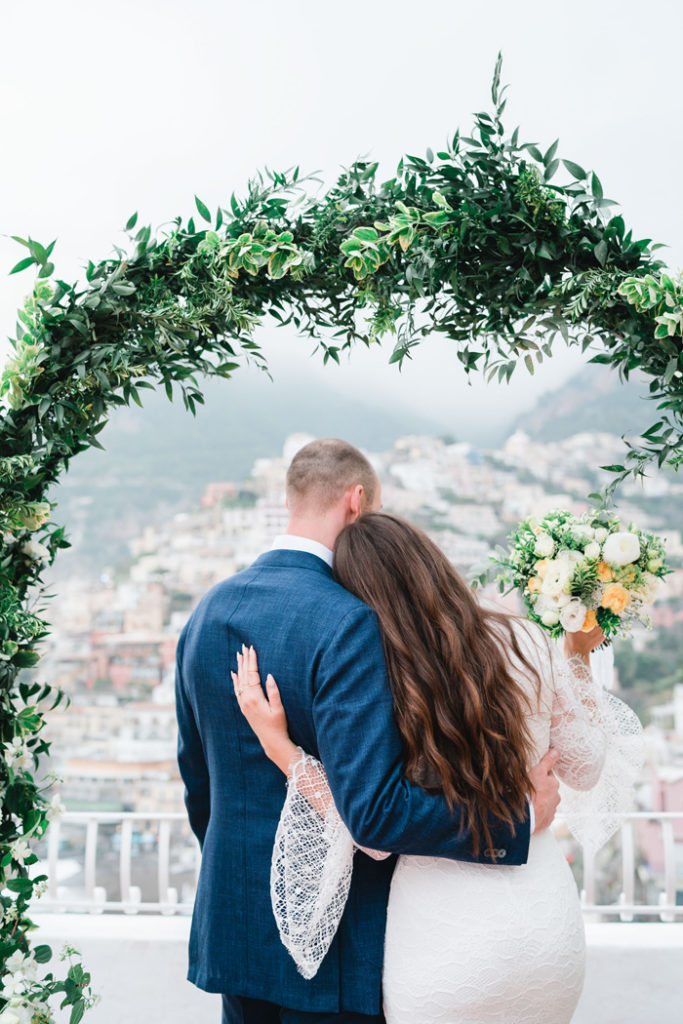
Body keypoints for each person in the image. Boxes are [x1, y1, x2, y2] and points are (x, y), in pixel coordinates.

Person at [175, 439, 560, 1024]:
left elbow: (197, 781)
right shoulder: (349, 621)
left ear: (289, 499)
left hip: (233, 925)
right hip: (336, 945)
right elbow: (375, 812)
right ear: (357, 501)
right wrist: (517, 819)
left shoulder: (205, 612)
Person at [233, 511, 613, 1024]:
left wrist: (282, 749)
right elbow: (586, 767)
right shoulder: (528, 640)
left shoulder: (385, 677)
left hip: (442, 937)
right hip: (545, 927)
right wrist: (576, 655)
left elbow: (372, 833)